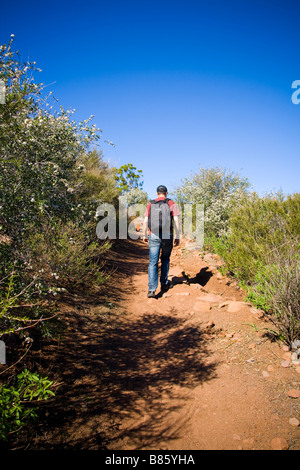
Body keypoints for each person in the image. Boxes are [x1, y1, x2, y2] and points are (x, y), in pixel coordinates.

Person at [142, 185, 180, 298]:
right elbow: (176, 220)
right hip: (167, 235)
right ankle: (164, 284)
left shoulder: (150, 204)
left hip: (153, 235)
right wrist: (177, 236)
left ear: (157, 193)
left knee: (153, 262)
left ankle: (152, 290)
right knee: (165, 259)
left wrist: (144, 234)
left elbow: (145, 221)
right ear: (166, 193)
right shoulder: (171, 203)